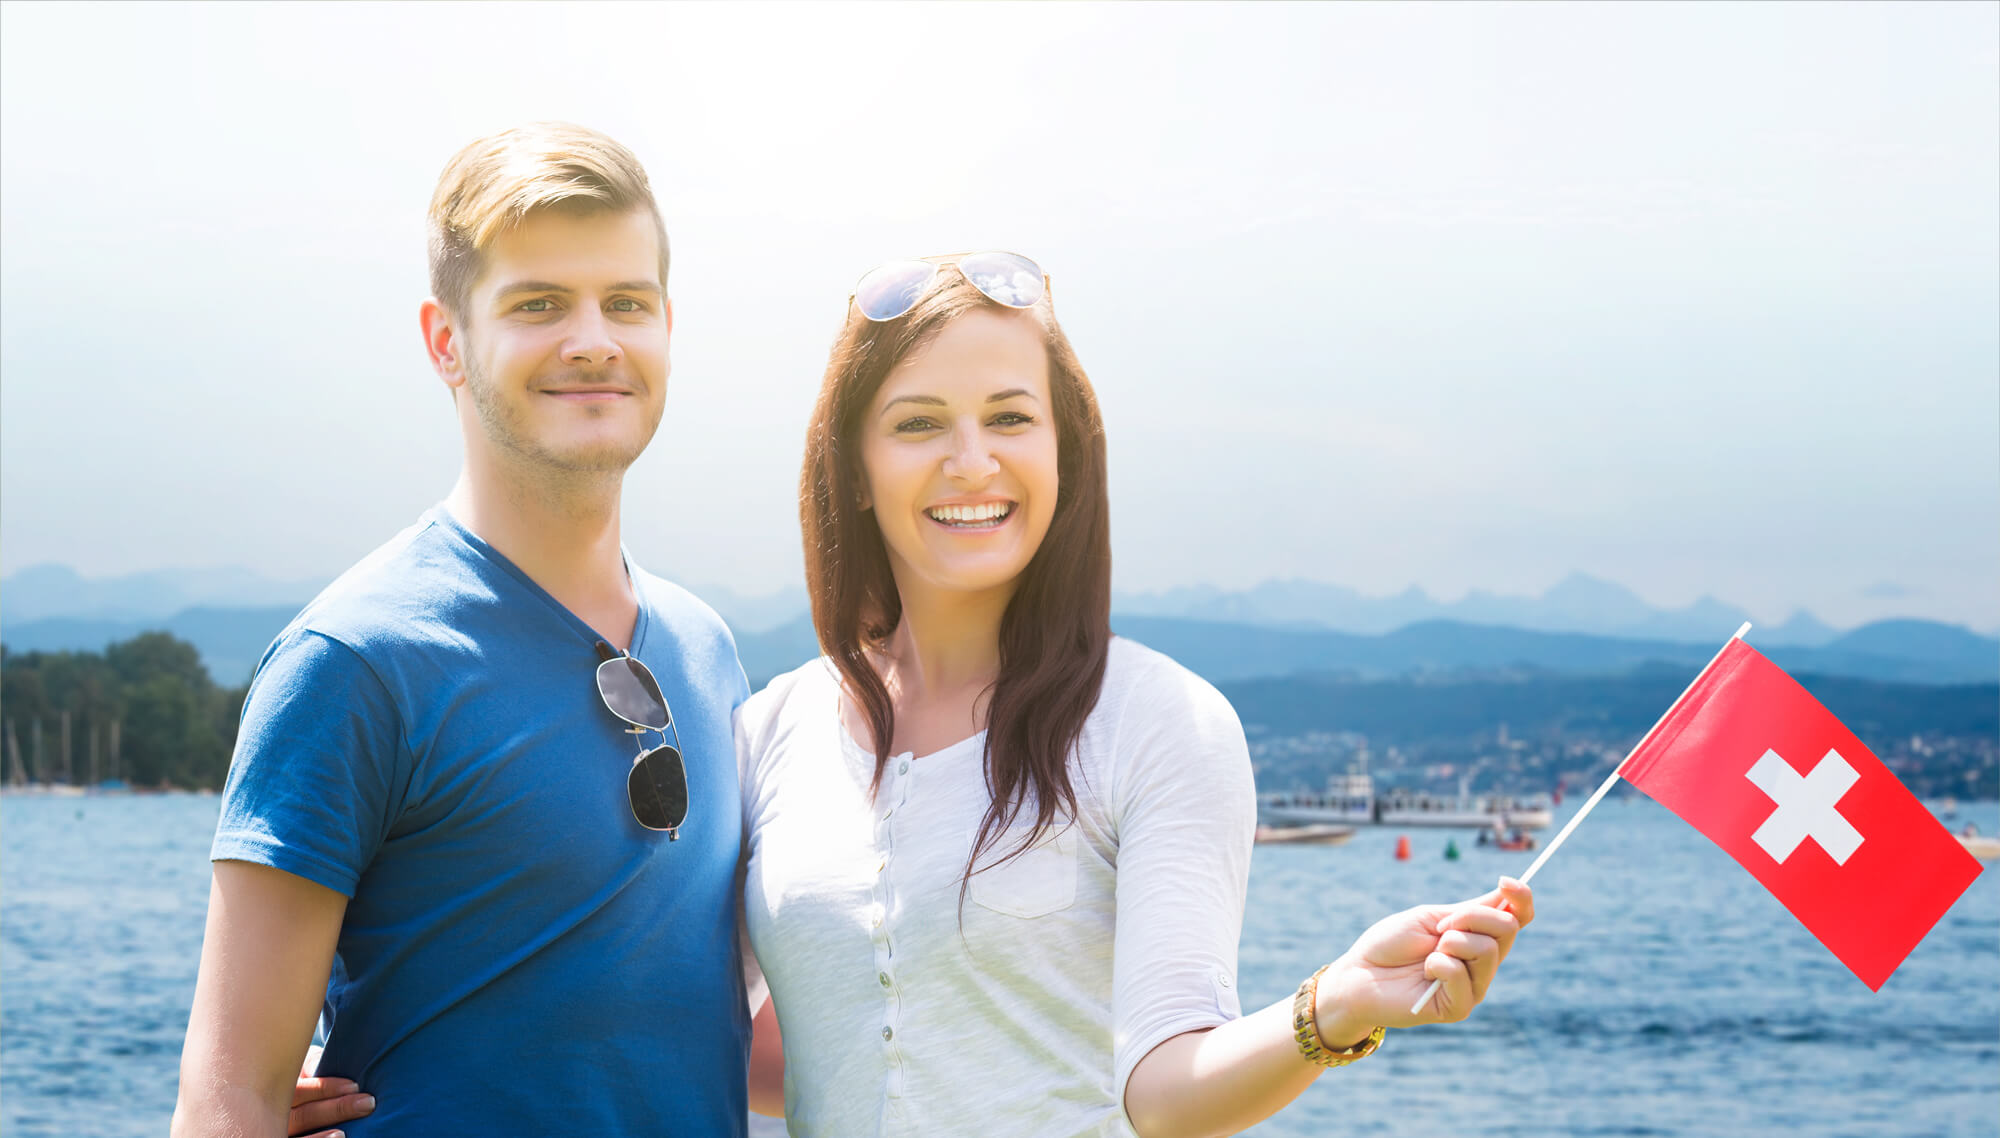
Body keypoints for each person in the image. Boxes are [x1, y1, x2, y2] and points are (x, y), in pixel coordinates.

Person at [296, 254, 1537, 1136]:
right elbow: (707, 1034)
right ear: (854, 464)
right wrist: (396, 1061)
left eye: (1010, 417)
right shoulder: (766, 727)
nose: (970, 462)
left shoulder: (1161, 724)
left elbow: (1163, 1089)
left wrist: (1336, 1007)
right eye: (918, 423)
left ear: (1065, 453)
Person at [173, 122, 756, 1138]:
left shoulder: (708, 649)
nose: (592, 339)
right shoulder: (356, 663)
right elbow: (229, 1101)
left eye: (627, 302)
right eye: (538, 305)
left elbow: (707, 1030)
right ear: (447, 341)